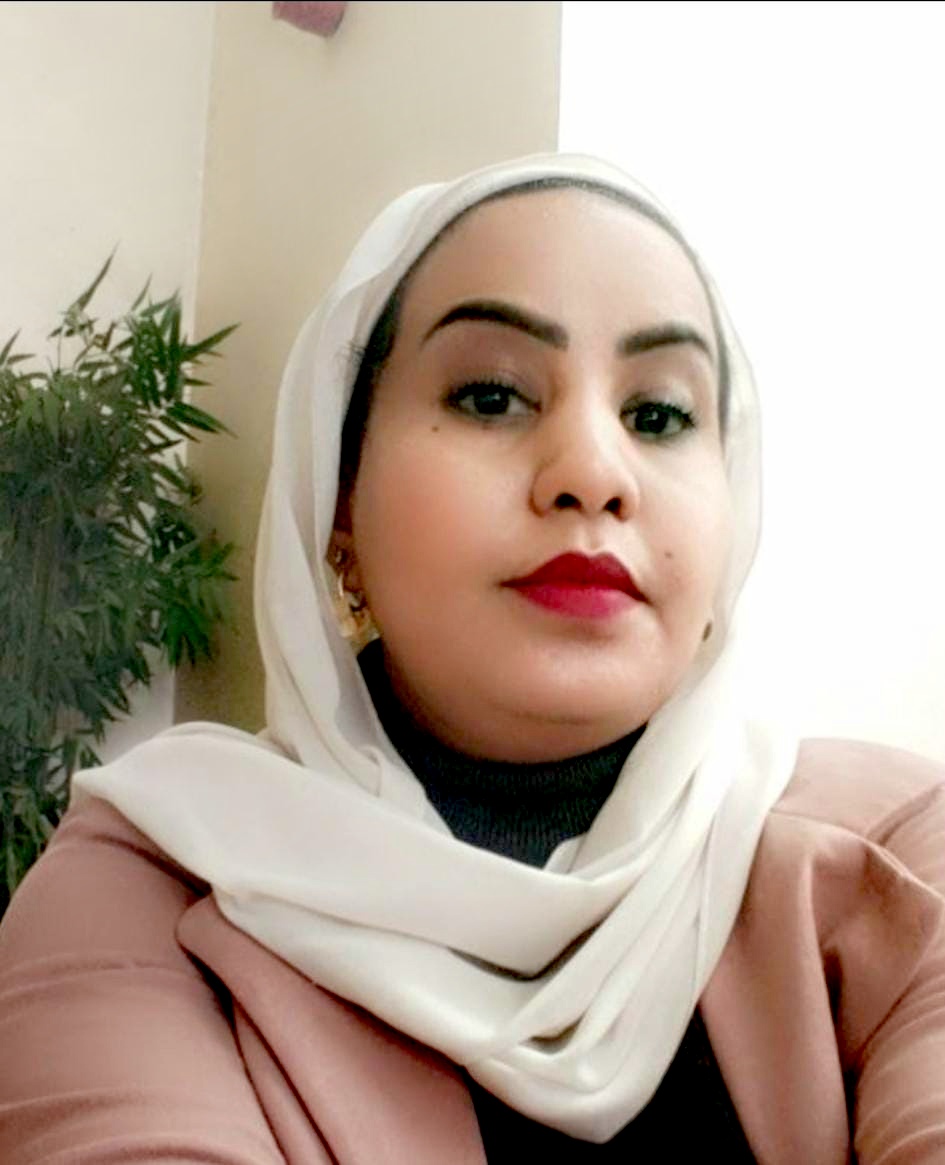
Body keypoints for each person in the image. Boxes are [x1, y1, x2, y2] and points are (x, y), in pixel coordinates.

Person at [1, 153, 944, 1164]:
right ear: (339, 501)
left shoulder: (889, 846)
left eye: (659, 414)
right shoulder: (151, 881)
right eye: (492, 396)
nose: (594, 472)